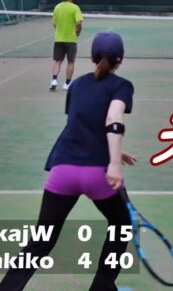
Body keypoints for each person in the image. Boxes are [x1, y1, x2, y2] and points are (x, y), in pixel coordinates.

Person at [0, 32, 136, 291]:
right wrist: (114, 163)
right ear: (121, 59)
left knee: (42, 240)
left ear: (92, 57)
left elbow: (82, 125)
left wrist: (116, 152)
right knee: (121, 226)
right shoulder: (122, 86)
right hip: (98, 174)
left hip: (62, 170)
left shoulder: (76, 85)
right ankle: (101, 288)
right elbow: (113, 118)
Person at [49, 0, 83, 91]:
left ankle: (54, 80)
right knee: (71, 62)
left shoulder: (57, 8)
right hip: (71, 40)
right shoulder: (75, 8)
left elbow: (54, 24)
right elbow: (78, 22)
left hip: (58, 39)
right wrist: (78, 31)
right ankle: (67, 84)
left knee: (57, 61)